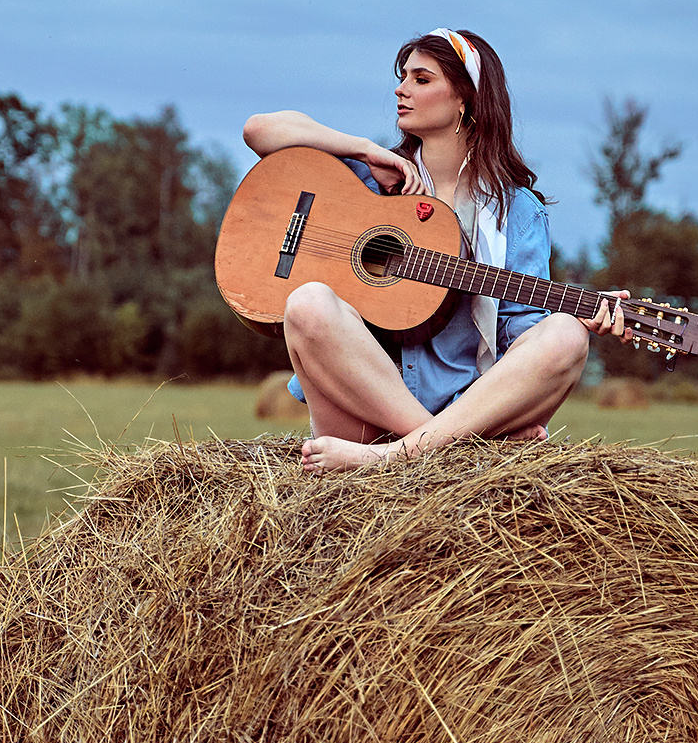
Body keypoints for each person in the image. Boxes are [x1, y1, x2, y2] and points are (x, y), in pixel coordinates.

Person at [242, 27, 632, 475]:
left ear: (465, 99)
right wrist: (364, 149)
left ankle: (402, 456)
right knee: (305, 302)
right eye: (402, 75)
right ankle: (449, 455)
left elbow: (519, 334)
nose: (401, 88)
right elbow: (260, 131)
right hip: (362, 416)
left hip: (461, 409)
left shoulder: (516, 212)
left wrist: (576, 314)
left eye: (421, 79)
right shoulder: (375, 179)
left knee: (565, 333)